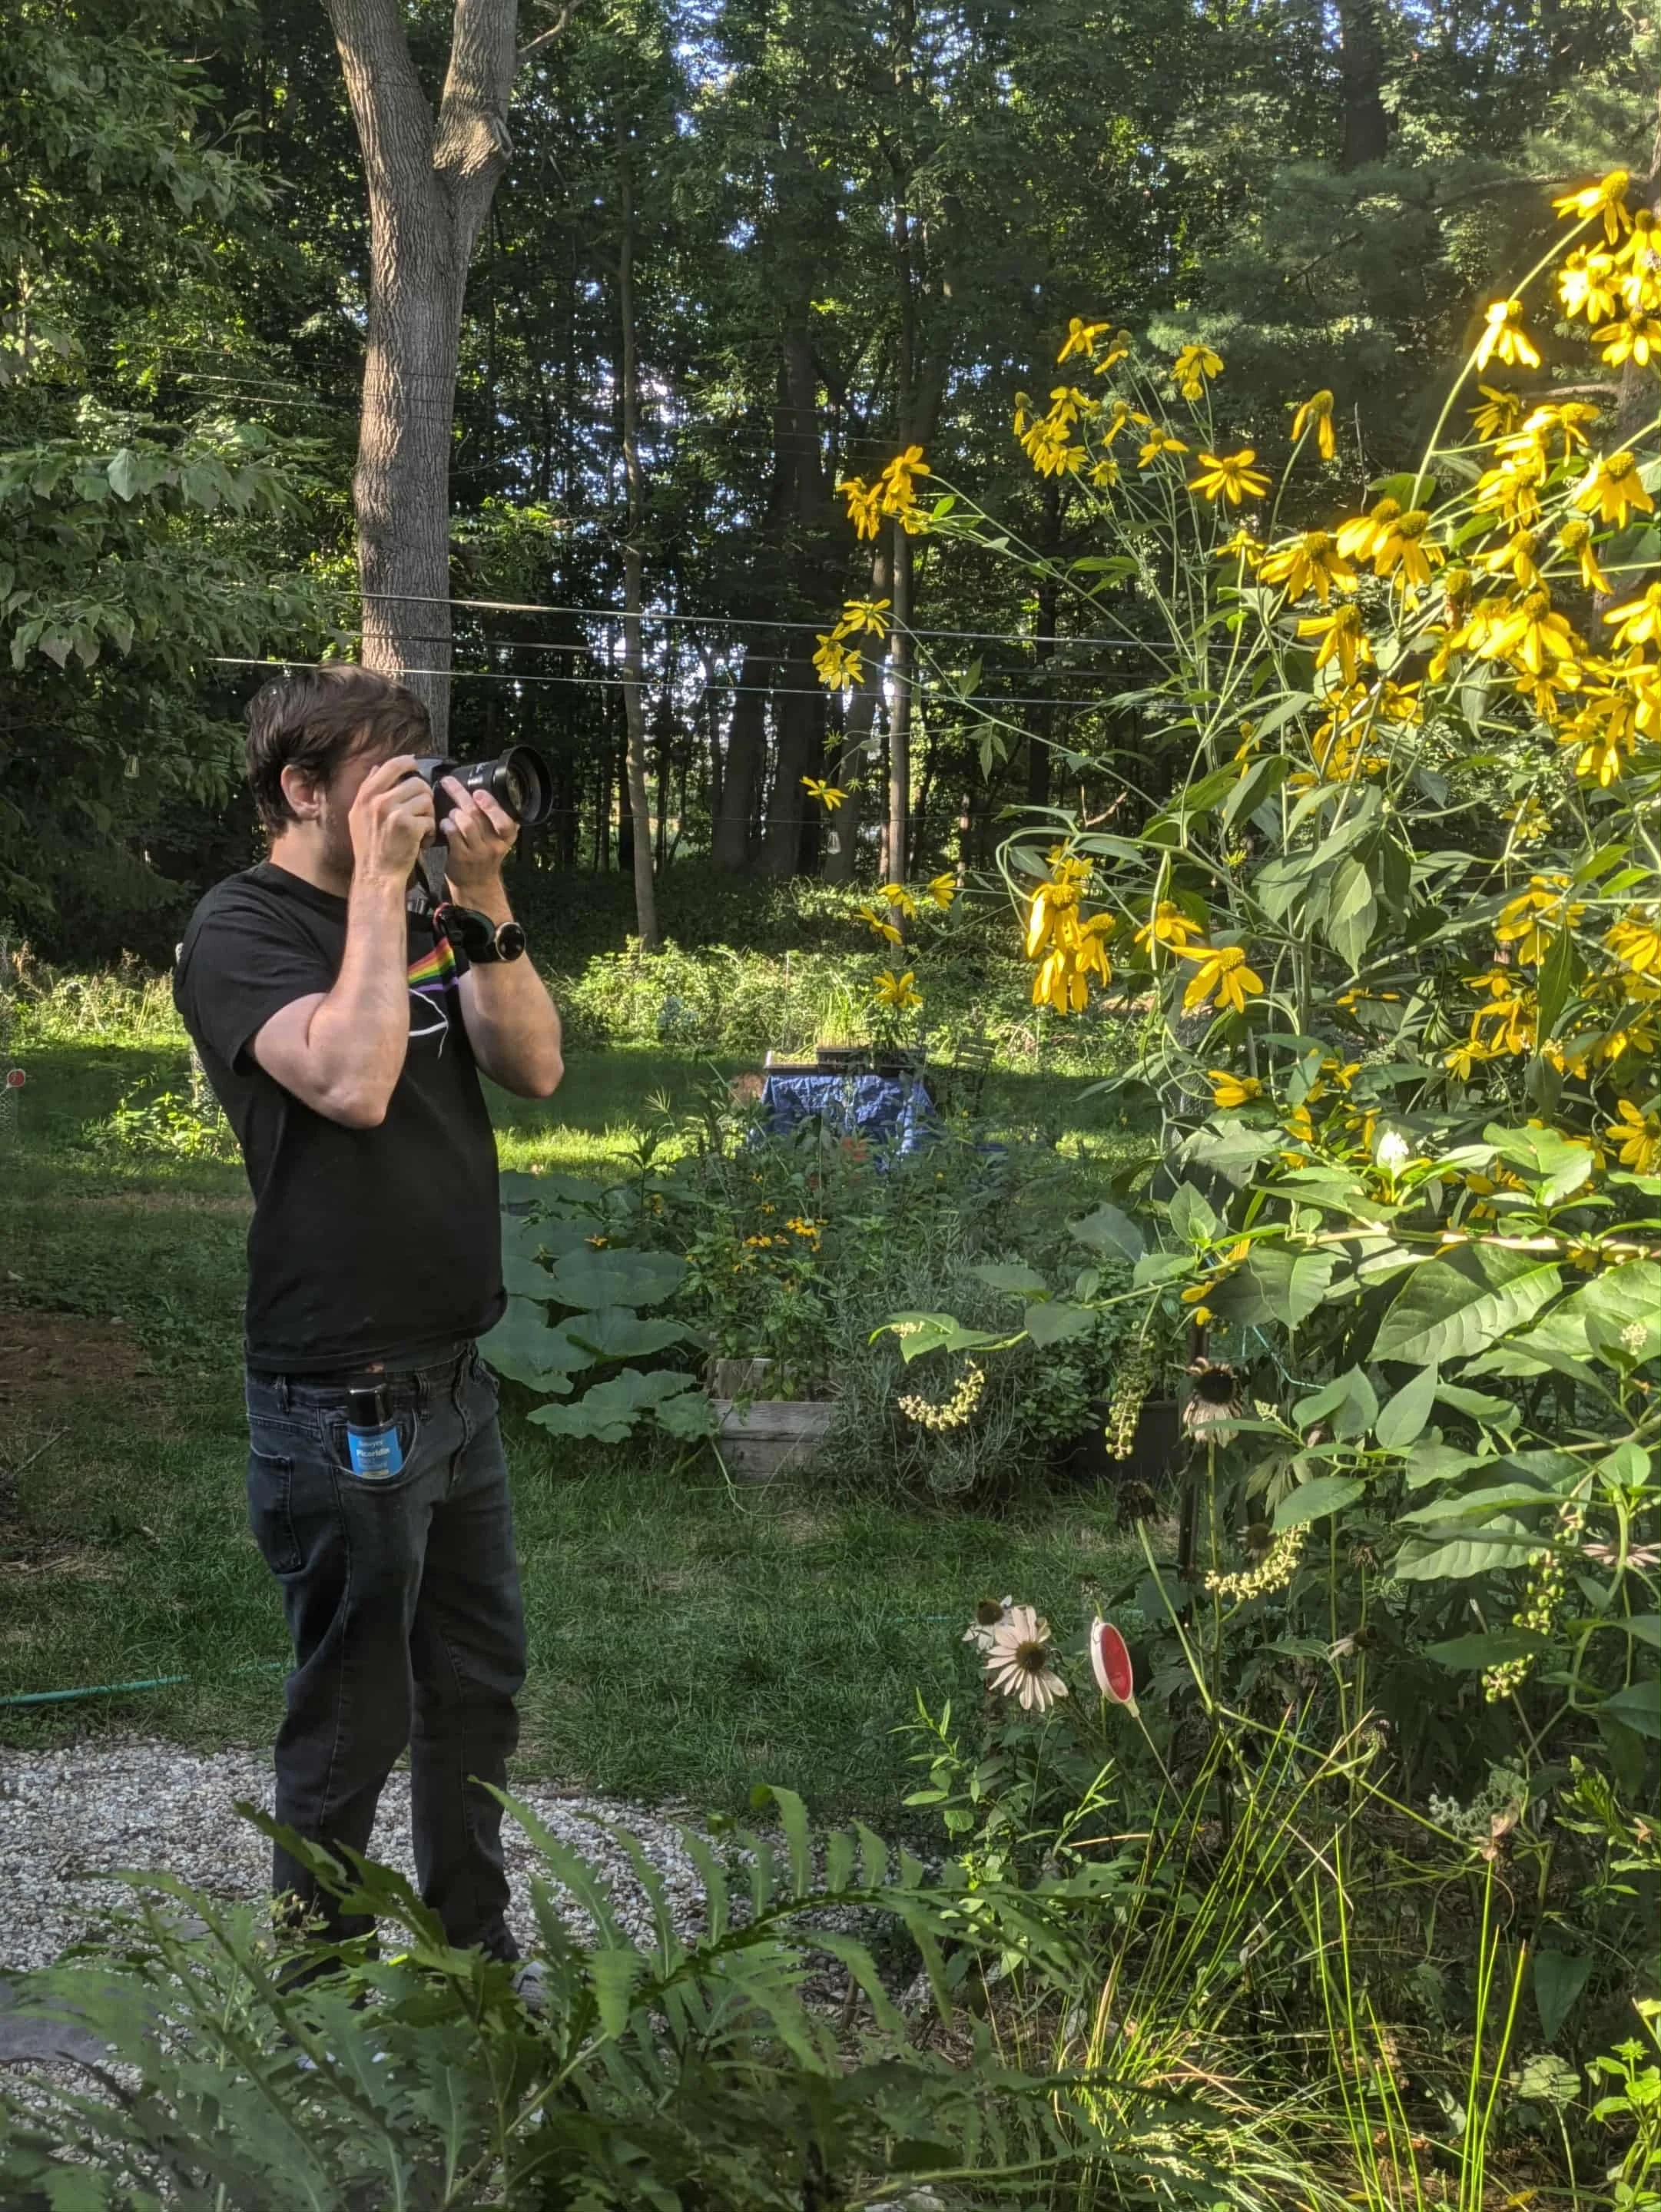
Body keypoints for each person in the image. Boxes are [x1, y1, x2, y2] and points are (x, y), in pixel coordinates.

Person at [174, 664, 562, 1972]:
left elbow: (536, 1066)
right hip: (341, 1390)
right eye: (382, 783)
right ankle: (321, 1987)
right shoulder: (241, 927)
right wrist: (388, 893)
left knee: (476, 1692)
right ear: (301, 788)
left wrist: (485, 893)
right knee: (356, 1715)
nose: (414, 801)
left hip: (456, 1378)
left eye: (422, 774)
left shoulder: (434, 909)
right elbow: (348, 1079)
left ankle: (475, 1961)